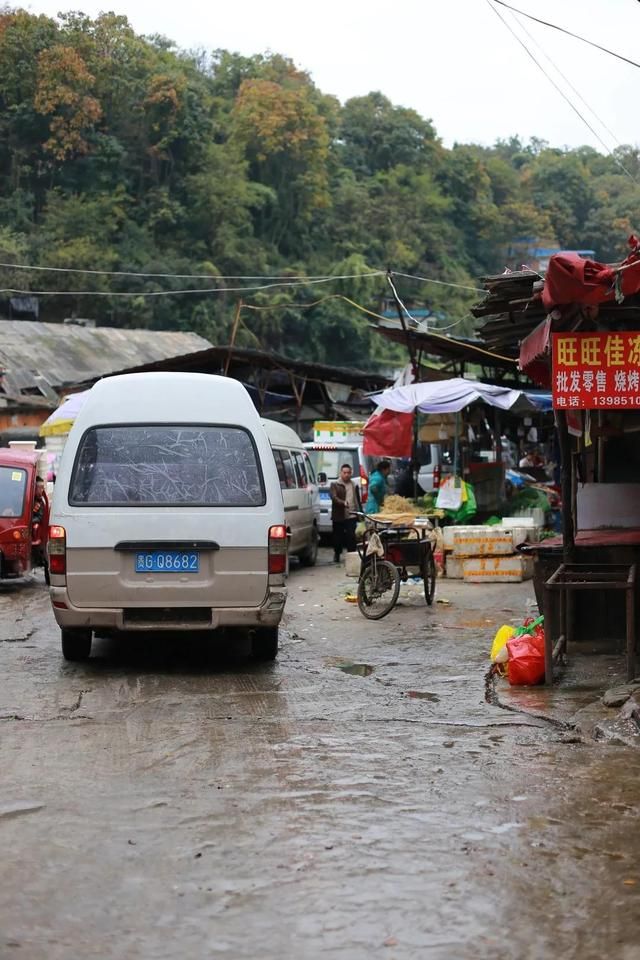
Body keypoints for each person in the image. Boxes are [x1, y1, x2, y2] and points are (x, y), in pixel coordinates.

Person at [330, 463, 361, 563]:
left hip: (351, 514)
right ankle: (337, 553)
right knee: (337, 537)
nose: (346, 475)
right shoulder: (335, 484)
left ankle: (351, 556)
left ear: (351, 473)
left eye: (348, 473)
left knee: (351, 536)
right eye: (344, 473)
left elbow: (357, 499)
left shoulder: (353, 484)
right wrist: (343, 503)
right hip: (339, 515)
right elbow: (334, 497)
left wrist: (359, 512)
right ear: (341, 473)